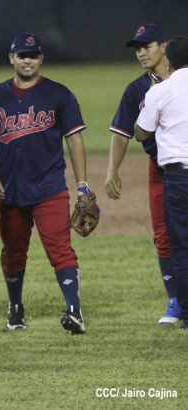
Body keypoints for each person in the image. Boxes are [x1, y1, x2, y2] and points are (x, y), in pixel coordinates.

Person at [0, 33, 90, 335]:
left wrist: (82, 186)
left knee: (60, 248)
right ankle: (15, 308)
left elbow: (75, 139)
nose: (27, 60)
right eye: (22, 54)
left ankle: (74, 310)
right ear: (11, 58)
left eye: (33, 55)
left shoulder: (59, 94)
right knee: (13, 252)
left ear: (41, 59)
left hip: (49, 187)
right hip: (9, 190)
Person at [105, 24, 179, 325]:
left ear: (164, 47)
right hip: (159, 170)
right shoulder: (136, 89)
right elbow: (122, 134)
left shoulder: (183, 80)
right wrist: (112, 169)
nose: (141, 52)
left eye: (147, 46)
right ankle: (175, 301)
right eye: (137, 48)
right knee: (163, 235)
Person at [135, 36, 188, 328]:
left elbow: (141, 132)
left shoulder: (161, 90)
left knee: (181, 245)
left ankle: (187, 314)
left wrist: (155, 99)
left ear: (169, 60)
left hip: (179, 177)